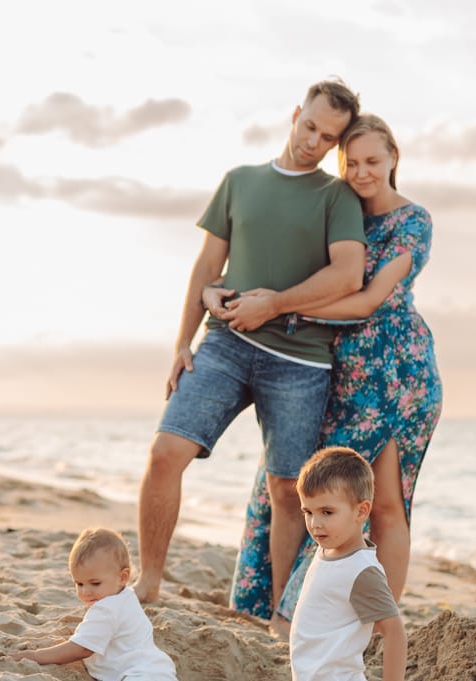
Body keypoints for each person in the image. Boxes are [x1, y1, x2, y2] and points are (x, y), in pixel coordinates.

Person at [134, 79, 368, 631]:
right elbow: (205, 268)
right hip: (224, 344)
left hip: (301, 359)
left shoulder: (337, 196)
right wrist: (182, 343)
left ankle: (283, 617)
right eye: (309, 126)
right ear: (294, 115)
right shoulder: (239, 182)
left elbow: (348, 273)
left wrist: (276, 304)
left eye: (328, 136)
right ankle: (148, 581)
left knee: (288, 491)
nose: (314, 141)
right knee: (166, 453)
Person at [222, 113, 442, 632]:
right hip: (335, 370)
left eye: (373, 161)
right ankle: (273, 609)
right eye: (352, 162)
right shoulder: (340, 215)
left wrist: (281, 309)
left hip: (397, 373)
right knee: (304, 484)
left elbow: (368, 301)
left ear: (393, 160)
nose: (362, 172)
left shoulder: (414, 221)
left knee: (384, 503)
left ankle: (376, 624)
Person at [288, 446, 406, 681]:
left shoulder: (361, 570)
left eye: (327, 512)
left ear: (361, 511)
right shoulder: (327, 549)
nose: (315, 524)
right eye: (308, 512)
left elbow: (394, 631)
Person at [11, 527, 184, 681]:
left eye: (95, 583)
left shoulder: (105, 609)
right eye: (79, 584)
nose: (86, 592)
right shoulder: (127, 596)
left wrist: (37, 656)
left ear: (122, 577)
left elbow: (82, 648)